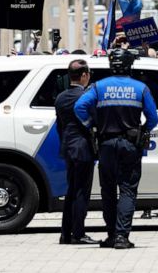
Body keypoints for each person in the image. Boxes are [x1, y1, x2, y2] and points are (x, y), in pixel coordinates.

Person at [74, 49, 158, 249]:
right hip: (130, 145)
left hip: (106, 145)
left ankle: (111, 235)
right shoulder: (140, 88)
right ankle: (122, 236)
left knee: (108, 191)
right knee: (128, 190)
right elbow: (153, 118)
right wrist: (143, 130)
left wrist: (91, 125)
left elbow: (79, 107)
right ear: (129, 65)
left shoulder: (98, 87)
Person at [55, 60, 98, 245]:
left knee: (71, 191)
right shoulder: (86, 96)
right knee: (81, 192)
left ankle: (66, 233)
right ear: (83, 75)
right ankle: (78, 233)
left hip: (68, 148)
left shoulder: (61, 97)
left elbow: (60, 126)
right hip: (83, 148)